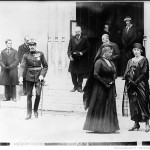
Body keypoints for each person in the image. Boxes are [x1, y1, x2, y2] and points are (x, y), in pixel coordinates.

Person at [83, 44, 119, 133]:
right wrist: (105, 83)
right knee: (100, 105)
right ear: (104, 53)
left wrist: (112, 80)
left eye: (111, 52)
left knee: (109, 106)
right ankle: (97, 127)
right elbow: (95, 74)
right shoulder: (99, 62)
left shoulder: (111, 62)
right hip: (100, 87)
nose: (111, 54)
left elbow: (114, 72)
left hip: (110, 87)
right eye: (110, 52)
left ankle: (110, 127)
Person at [122, 43, 150, 132]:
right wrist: (130, 80)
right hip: (132, 86)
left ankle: (147, 124)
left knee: (143, 103)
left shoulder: (144, 60)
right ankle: (136, 124)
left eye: (138, 50)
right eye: (134, 50)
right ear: (132, 51)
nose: (136, 52)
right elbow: (126, 73)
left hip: (141, 85)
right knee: (133, 104)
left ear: (141, 51)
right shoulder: (130, 61)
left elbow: (144, 73)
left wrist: (136, 82)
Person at [19, 41, 48, 120]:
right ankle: (29, 113)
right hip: (29, 77)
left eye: (33, 45)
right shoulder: (26, 55)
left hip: (39, 77)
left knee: (38, 95)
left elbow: (45, 66)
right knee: (29, 96)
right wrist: (21, 76)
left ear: (36, 46)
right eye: (30, 45)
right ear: (29, 46)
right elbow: (22, 66)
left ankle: (35, 110)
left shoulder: (40, 54)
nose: (32, 47)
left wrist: (42, 75)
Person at [67, 26, 90, 93]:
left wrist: (82, 53)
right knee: (73, 73)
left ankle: (79, 87)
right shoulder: (72, 39)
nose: (77, 33)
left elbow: (88, 48)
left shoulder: (85, 39)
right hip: (73, 59)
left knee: (80, 74)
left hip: (81, 59)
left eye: (78, 31)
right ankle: (75, 86)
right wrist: (69, 56)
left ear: (81, 31)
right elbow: (69, 49)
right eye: (76, 32)